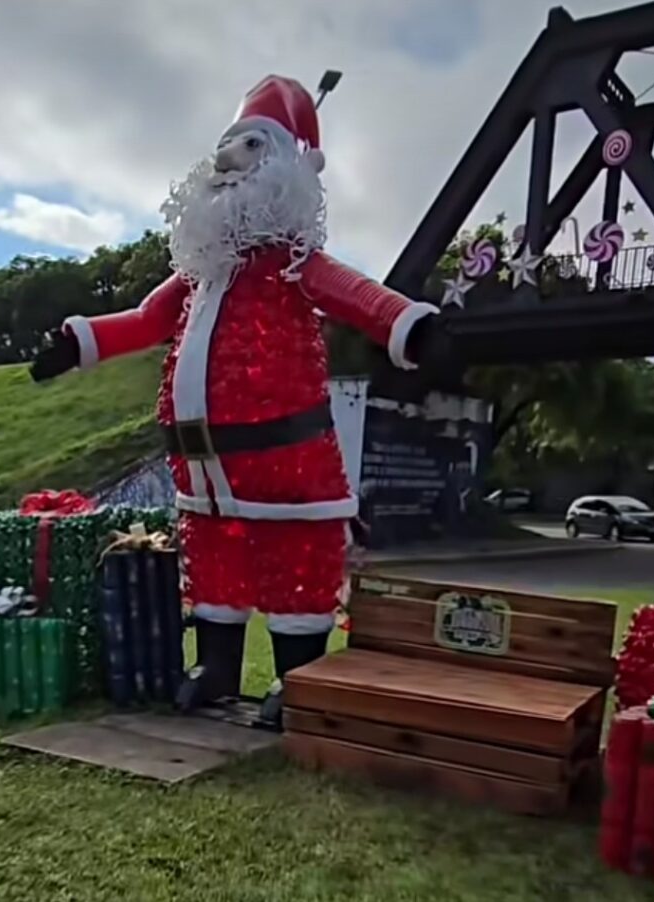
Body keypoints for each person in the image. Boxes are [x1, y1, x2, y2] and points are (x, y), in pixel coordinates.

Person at [32, 74, 454, 725]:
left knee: (293, 567)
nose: (228, 162)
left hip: (285, 464)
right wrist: (78, 341)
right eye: (226, 147)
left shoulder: (292, 264)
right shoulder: (198, 275)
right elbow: (146, 320)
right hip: (203, 471)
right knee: (215, 566)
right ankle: (217, 668)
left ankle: (299, 678)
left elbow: (354, 293)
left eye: (250, 146)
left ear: (287, 170)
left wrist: (411, 327)